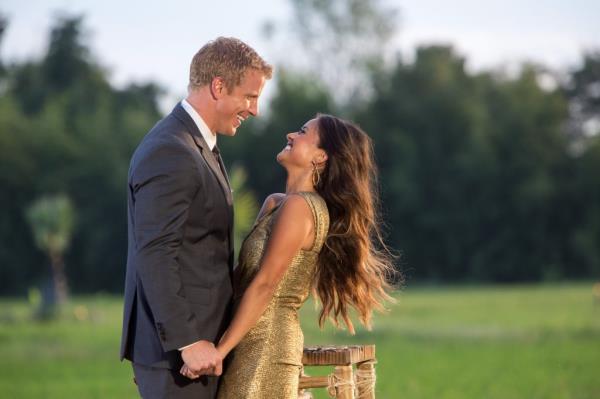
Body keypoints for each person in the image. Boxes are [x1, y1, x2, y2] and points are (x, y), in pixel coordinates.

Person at [184, 114, 396, 398]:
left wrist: (219, 351)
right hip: (243, 339)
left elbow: (266, 283)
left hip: (266, 346)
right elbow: (239, 281)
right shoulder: (277, 204)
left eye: (302, 131)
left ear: (320, 156)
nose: (290, 135)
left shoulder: (301, 207)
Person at [120, 37, 272, 399]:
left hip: (197, 354)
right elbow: (155, 253)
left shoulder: (199, 144)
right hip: (183, 357)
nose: (255, 110)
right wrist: (186, 341)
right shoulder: (171, 150)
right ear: (218, 87)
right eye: (249, 96)